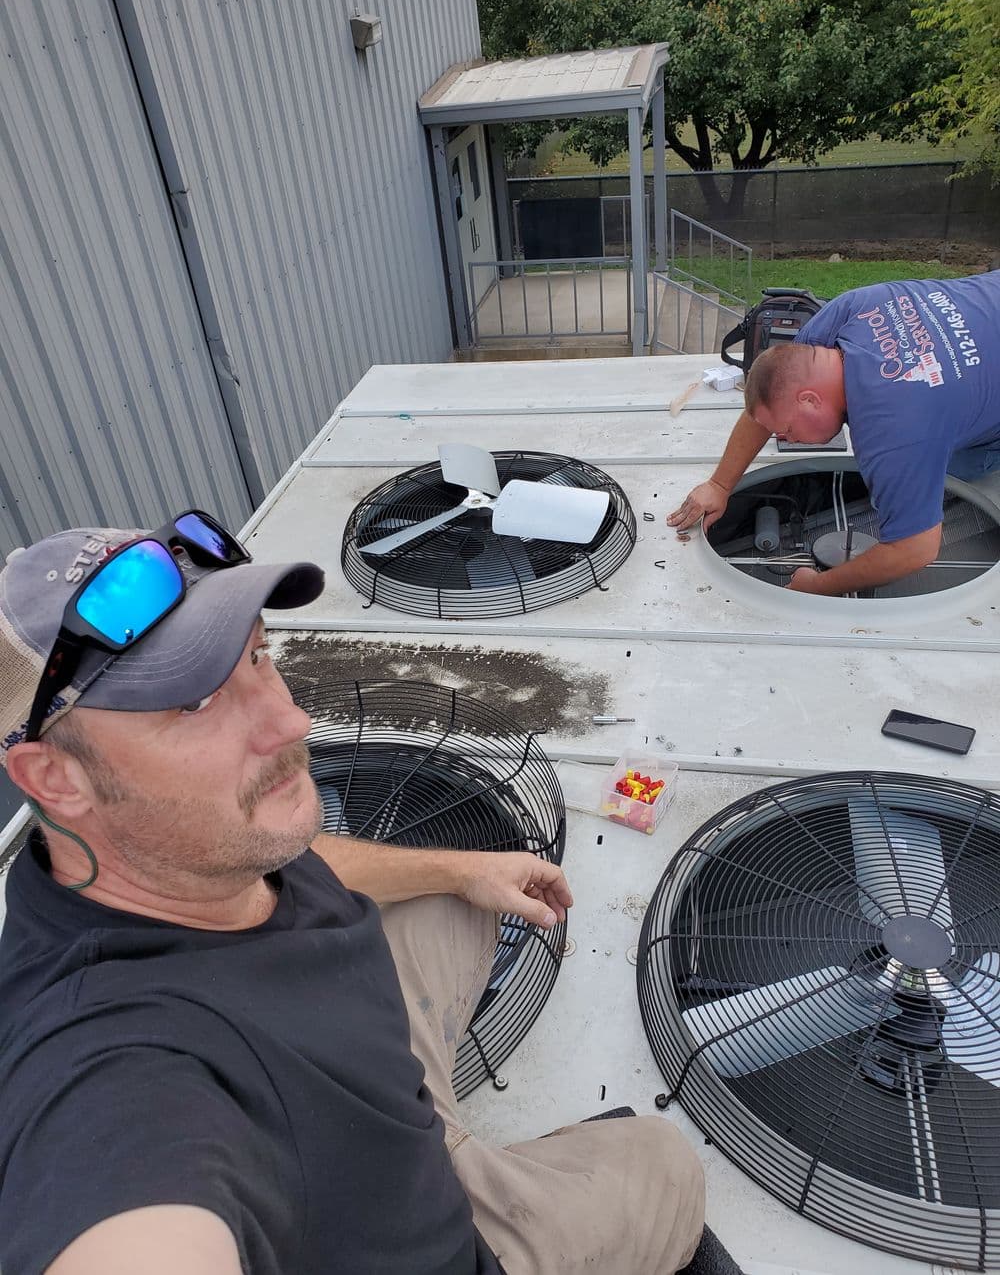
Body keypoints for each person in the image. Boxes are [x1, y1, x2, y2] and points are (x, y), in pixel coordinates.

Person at [0, 513, 704, 1275]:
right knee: (666, 1161)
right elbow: (123, 1197)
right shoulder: (118, 1066)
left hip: (378, 1113)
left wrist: (461, 867)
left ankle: (437, 1131)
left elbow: (309, 856)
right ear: (55, 779)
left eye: (259, 655)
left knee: (459, 904)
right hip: (450, 1244)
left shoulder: (185, 854)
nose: (291, 719)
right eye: (194, 703)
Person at [668, 270, 1000, 595]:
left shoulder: (892, 433)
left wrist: (820, 585)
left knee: (955, 469)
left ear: (810, 400)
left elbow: (915, 550)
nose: (785, 439)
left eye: (786, 431)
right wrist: (720, 484)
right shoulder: (852, 309)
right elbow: (771, 395)